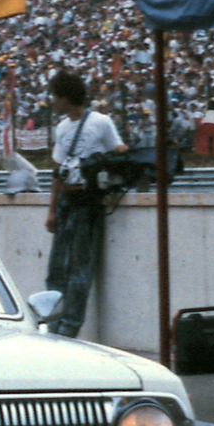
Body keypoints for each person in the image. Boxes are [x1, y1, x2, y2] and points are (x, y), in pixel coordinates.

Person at [44, 69, 127, 338]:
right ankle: (52, 323)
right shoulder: (62, 127)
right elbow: (58, 170)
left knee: (79, 267)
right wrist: (52, 209)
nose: (52, 101)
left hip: (87, 201)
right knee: (57, 267)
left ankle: (69, 326)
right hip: (66, 201)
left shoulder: (100, 122)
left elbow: (118, 149)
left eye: (55, 96)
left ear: (67, 97)